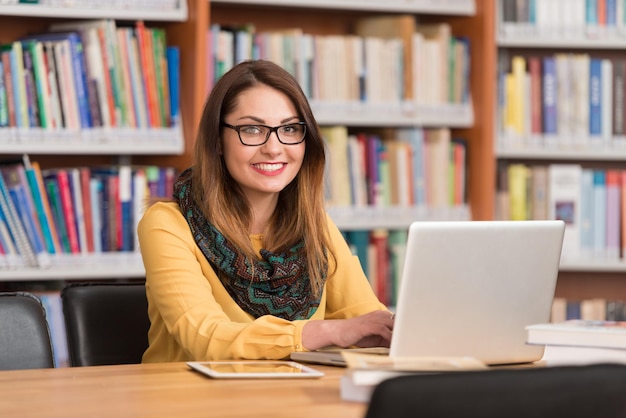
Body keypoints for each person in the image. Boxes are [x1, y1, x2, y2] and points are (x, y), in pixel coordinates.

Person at [138, 59, 394, 363]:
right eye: (253, 129)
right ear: (218, 141)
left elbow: (366, 318)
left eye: (289, 128)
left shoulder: (315, 225)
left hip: (290, 400)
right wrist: (327, 332)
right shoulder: (167, 224)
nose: (274, 148)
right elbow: (205, 338)